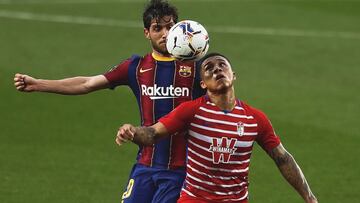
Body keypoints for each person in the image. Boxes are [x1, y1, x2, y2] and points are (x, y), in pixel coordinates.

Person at [13, 1, 205, 202]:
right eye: (157, 28)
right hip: (145, 166)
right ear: (147, 33)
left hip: (181, 171)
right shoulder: (136, 67)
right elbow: (87, 83)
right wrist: (39, 84)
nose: (165, 34)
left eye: (169, 27)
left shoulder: (196, 68)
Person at [116, 53, 318, 203]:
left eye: (222, 65)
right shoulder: (191, 111)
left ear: (234, 75)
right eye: (209, 68)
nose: (217, 69)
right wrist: (132, 131)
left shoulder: (254, 118)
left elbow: (282, 158)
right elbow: (152, 133)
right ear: (202, 84)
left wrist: (309, 197)